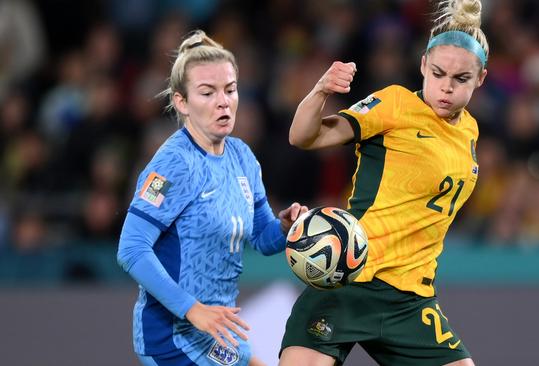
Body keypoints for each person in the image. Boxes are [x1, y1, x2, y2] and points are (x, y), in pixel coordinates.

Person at [279, 0, 488, 365]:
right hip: (349, 278)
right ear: (423, 64)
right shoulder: (394, 105)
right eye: (437, 73)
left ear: (481, 78)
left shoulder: (470, 130)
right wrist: (321, 90)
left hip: (410, 299)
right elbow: (302, 137)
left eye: (461, 79)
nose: (446, 88)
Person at [117, 30, 307, 366]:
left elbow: (262, 239)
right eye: (207, 92)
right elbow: (131, 249)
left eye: (230, 90)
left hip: (217, 332)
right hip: (170, 337)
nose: (223, 101)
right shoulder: (174, 164)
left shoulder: (242, 157)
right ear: (182, 102)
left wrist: (284, 226)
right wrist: (192, 309)